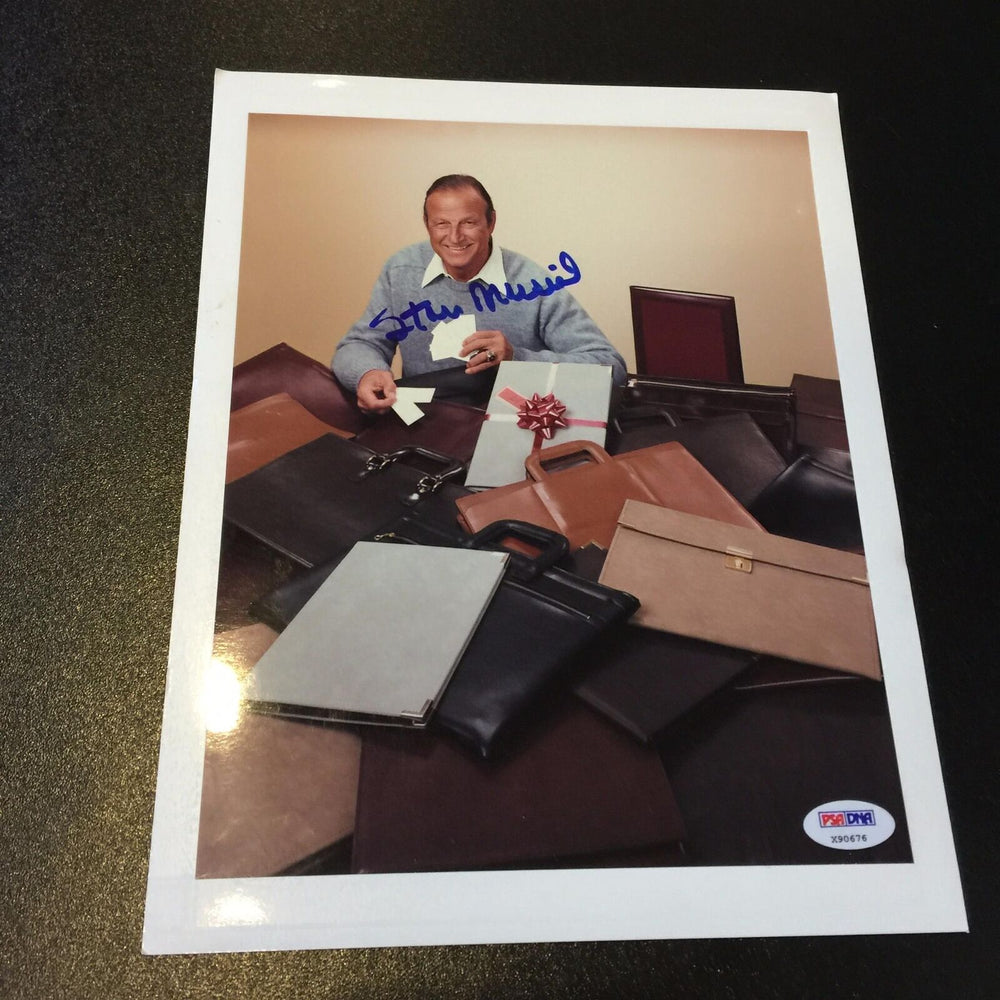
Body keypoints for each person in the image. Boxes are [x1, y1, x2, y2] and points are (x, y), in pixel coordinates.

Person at [332, 174, 627, 413]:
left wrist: (518, 358)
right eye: (442, 224)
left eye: (468, 223)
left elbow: (610, 367)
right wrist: (367, 373)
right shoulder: (401, 270)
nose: (455, 237)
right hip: (425, 425)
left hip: (513, 425)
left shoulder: (534, 284)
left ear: (491, 222)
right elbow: (359, 344)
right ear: (427, 225)